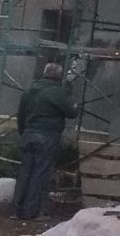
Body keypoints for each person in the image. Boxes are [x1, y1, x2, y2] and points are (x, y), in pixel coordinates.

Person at [12, 61, 74, 221]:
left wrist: (23, 132)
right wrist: (75, 105)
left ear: (44, 73)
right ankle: (32, 212)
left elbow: (20, 115)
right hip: (47, 136)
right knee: (40, 174)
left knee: (25, 173)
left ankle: (16, 210)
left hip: (28, 134)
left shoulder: (29, 91)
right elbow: (71, 113)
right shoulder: (55, 92)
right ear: (59, 76)